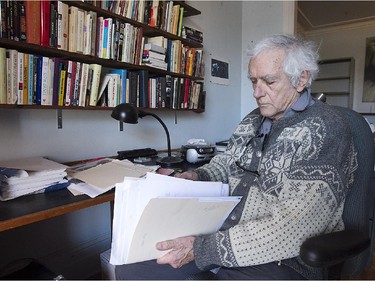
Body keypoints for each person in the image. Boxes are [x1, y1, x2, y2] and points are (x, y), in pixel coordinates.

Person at [115, 34, 358, 280]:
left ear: (301, 79)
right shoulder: (254, 118)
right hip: (220, 232)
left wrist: (202, 249)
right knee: (132, 270)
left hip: (284, 258)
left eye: (269, 81)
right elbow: (227, 162)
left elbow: (295, 225)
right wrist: (198, 175)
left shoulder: (327, 128)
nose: (257, 92)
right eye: (253, 81)